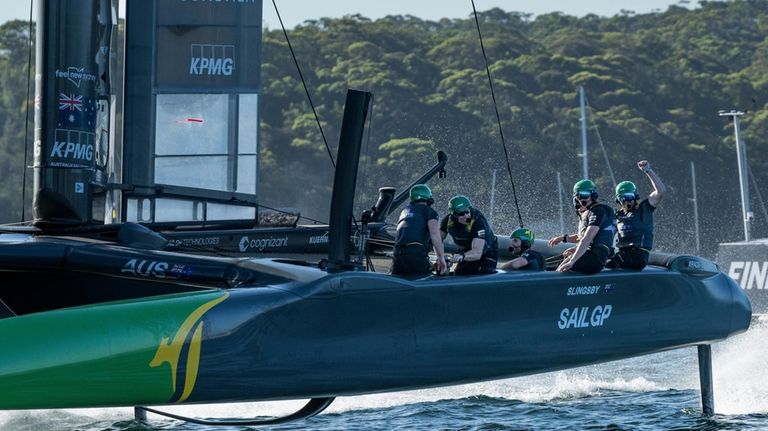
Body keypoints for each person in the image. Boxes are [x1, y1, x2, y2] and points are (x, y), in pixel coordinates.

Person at [607, 160, 666, 270]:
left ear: (635, 196)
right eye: (623, 198)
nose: (627, 201)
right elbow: (605, 233)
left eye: (629, 196)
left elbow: (661, 191)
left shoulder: (644, 208)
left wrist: (648, 170)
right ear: (618, 199)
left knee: (610, 263)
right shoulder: (617, 215)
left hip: (638, 255)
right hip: (622, 253)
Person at [548, 179, 616, 274]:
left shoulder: (597, 211)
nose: (582, 198)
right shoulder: (591, 211)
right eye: (579, 195)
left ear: (593, 195)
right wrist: (563, 238)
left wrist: (573, 261)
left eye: (585, 194)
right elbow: (584, 237)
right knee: (558, 264)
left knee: (561, 270)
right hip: (594, 255)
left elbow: (587, 238)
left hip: (595, 259)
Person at [391, 184, 447, 276]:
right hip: (415, 253)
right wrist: (441, 258)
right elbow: (434, 233)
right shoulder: (429, 211)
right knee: (426, 279)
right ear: (429, 199)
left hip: (397, 253)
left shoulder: (405, 211)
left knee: (400, 279)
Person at [440, 195, 498, 275]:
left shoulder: (478, 222)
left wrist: (462, 256)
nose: (466, 216)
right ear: (453, 215)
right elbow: (437, 241)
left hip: (486, 252)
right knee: (459, 275)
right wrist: (440, 257)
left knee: (481, 277)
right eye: (461, 214)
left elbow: (477, 253)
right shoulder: (447, 221)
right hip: (466, 251)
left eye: (467, 211)